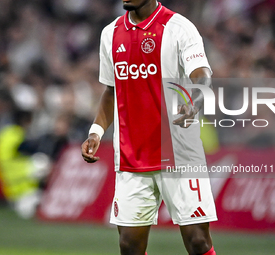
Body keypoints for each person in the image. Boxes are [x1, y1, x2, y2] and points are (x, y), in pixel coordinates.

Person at [82, 1, 217, 254]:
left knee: (198, 241)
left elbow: (202, 76)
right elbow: (111, 90)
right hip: (132, 155)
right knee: (129, 246)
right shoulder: (110, 33)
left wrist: (192, 104)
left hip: (179, 152)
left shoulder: (179, 27)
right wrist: (96, 132)